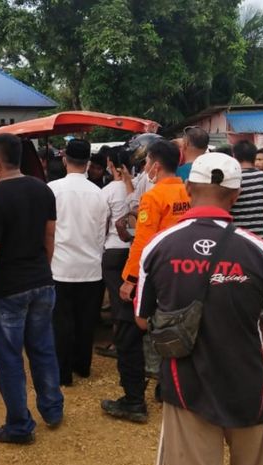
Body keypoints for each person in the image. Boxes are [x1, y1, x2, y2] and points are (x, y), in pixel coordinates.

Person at [135, 152, 263, 465]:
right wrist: (247, 323)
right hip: (248, 386)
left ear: (187, 187)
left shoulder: (157, 247)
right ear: (236, 194)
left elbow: (141, 318)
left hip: (186, 387)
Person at [0, 133, 64, 444]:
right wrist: (42, 271)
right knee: (43, 349)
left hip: (7, 291)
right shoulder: (42, 190)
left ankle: (20, 426)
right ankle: (52, 409)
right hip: (41, 284)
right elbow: (50, 237)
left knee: (9, 359)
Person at [48, 139, 108, 386]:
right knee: (86, 322)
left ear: (65, 160)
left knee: (61, 323)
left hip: (60, 267)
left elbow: (48, 231)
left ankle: (63, 374)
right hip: (91, 268)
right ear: (88, 164)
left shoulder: (52, 189)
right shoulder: (99, 194)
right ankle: (82, 366)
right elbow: (101, 233)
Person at [99, 145, 149, 422]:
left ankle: (133, 398)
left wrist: (129, 279)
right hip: (142, 259)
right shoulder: (144, 188)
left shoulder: (114, 192)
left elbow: (137, 233)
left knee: (125, 318)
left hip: (123, 255)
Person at [119, 139, 190, 301]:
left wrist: (130, 278)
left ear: (156, 166)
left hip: (160, 269)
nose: (144, 167)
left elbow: (143, 239)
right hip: (186, 266)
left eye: (147, 162)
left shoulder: (153, 197)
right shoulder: (187, 192)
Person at [229, 140, 263, 238]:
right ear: (254, 156)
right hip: (260, 239)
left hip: (237, 238)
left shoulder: (232, 178)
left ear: (234, 156)